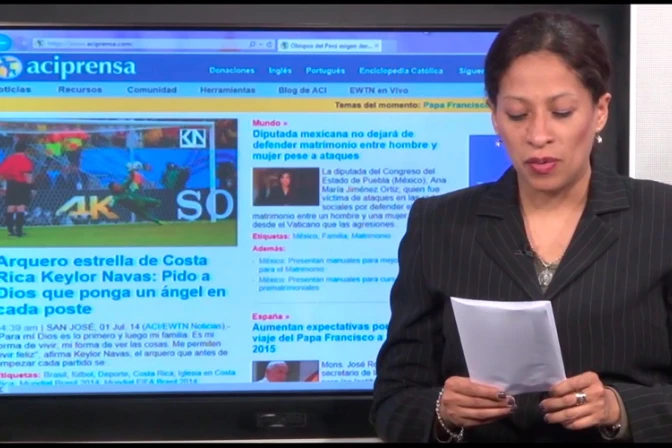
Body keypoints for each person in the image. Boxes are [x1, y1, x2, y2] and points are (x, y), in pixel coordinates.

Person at [370, 11, 672, 444]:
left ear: (600, 111)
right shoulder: (436, 225)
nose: (538, 135)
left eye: (562, 112)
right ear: (494, 116)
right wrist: (442, 411)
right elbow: (392, 402)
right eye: (517, 114)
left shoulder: (662, 218)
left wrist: (619, 408)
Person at [0, 141, 34, 237]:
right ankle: (19, 231)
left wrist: (2, 186)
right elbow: (27, 176)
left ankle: (10, 230)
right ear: (25, 150)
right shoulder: (25, 160)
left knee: (10, 206)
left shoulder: (9, 159)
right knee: (20, 206)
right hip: (21, 185)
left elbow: (1, 173)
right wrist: (31, 187)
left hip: (10, 184)